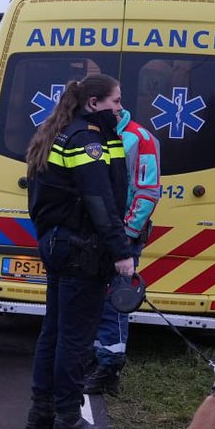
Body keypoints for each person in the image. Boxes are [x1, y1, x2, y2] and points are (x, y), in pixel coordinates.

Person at [24, 74, 134, 429]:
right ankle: (68, 416)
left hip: (59, 244)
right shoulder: (87, 141)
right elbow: (99, 200)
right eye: (115, 102)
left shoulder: (61, 133)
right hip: (80, 250)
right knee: (75, 338)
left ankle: (42, 409)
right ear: (94, 103)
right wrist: (121, 252)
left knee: (53, 331)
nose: (120, 108)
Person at [83, 107, 162, 396]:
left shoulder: (139, 138)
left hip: (121, 236)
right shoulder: (93, 134)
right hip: (95, 235)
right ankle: (95, 359)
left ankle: (109, 368)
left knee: (115, 301)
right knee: (94, 299)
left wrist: (124, 238)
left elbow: (147, 192)